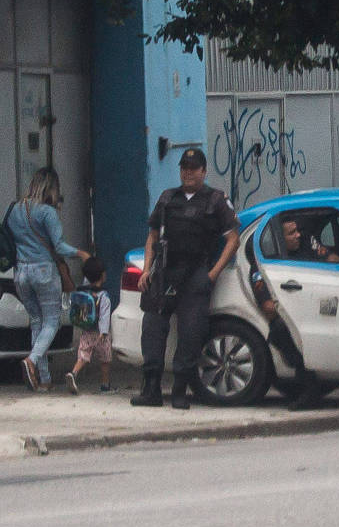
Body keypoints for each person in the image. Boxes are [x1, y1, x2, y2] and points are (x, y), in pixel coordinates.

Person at [135, 148, 240, 409]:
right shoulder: (168, 197)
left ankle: (180, 391)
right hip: (166, 271)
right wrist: (147, 269)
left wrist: (212, 274)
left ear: (204, 171)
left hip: (195, 273)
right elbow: (152, 237)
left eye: (193, 168)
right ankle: (151, 390)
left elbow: (233, 239)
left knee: (191, 332)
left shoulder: (215, 200)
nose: (188, 172)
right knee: (152, 328)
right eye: (184, 168)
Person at [7, 167, 91, 390]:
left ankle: (43, 379)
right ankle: (32, 360)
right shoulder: (47, 212)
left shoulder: (15, 209)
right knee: (52, 321)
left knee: (37, 321)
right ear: (52, 188)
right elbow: (59, 246)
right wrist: (82, 254)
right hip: (43, 271)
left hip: (21, 272)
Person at [64, 256, 114, 395]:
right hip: (100, 333)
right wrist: (104, 332)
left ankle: (74, 373)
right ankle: (105, 385)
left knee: (83, 356)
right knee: (105, 359)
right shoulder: (104, 296)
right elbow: (104, 315)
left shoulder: (83, 291)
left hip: (86, 330)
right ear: (103, 275)